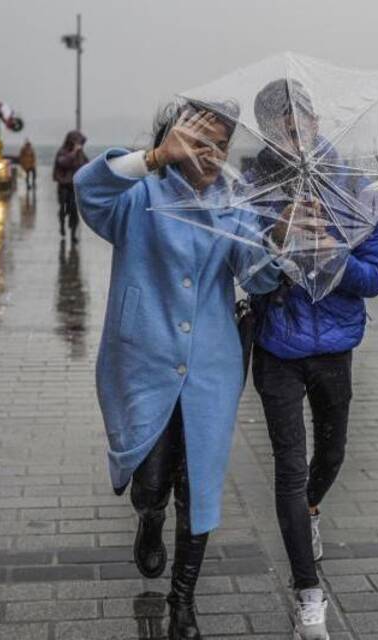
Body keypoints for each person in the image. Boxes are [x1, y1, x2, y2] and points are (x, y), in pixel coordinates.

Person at [74, 103, 281, 640]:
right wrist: (151, 157)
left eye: (222, 145)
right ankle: (148, 517)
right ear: (175, 142)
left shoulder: (234, 204)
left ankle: (182, 602)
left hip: (211, 365)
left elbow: (257, 281)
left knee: (200, 486)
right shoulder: (139, 197)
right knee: (152, 478)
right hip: (143, 356)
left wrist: (277, 244)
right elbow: (89, 192)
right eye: (201, 142)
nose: (212, 155)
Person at [248, 78, 378, 640]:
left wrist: (333, 259)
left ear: (313, 120)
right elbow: (240, 270)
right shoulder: (251, 188)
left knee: (331, 453)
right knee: (289, 464)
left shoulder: (354, 186)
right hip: (276, 345)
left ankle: (309, 512)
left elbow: (375, 278)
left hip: (334, 348)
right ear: (266, 130)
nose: (290, 129)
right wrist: (278, 247)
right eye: (277, 121)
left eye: (298, 117)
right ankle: (309, 592)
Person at [54, 131, 88, 240]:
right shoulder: (62, 151)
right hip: (64, 185)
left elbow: (87, 165)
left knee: (74, 211)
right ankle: (62, 225)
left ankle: (73, 234)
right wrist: (73, 152)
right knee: (63, 209)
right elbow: (62, 162)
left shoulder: (80, 153)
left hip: (74, 186)